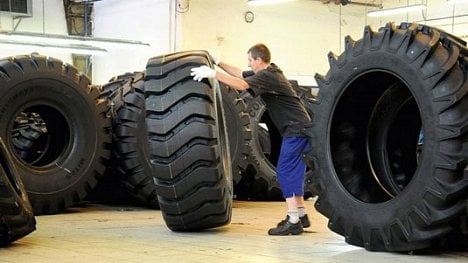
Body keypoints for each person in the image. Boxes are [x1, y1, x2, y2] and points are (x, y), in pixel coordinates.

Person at [190, 44, 312, 235]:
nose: (248, 63)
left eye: (250, 60)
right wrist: (218, 62)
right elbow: (240, 74)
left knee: (285, 171)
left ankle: (293, 219)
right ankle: (302, 215)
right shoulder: (270, 72)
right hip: (300, 128)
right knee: (294, 172)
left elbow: (241, 85)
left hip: (295, 130)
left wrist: (213, 74)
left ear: (258, 60)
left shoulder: (268, 76)